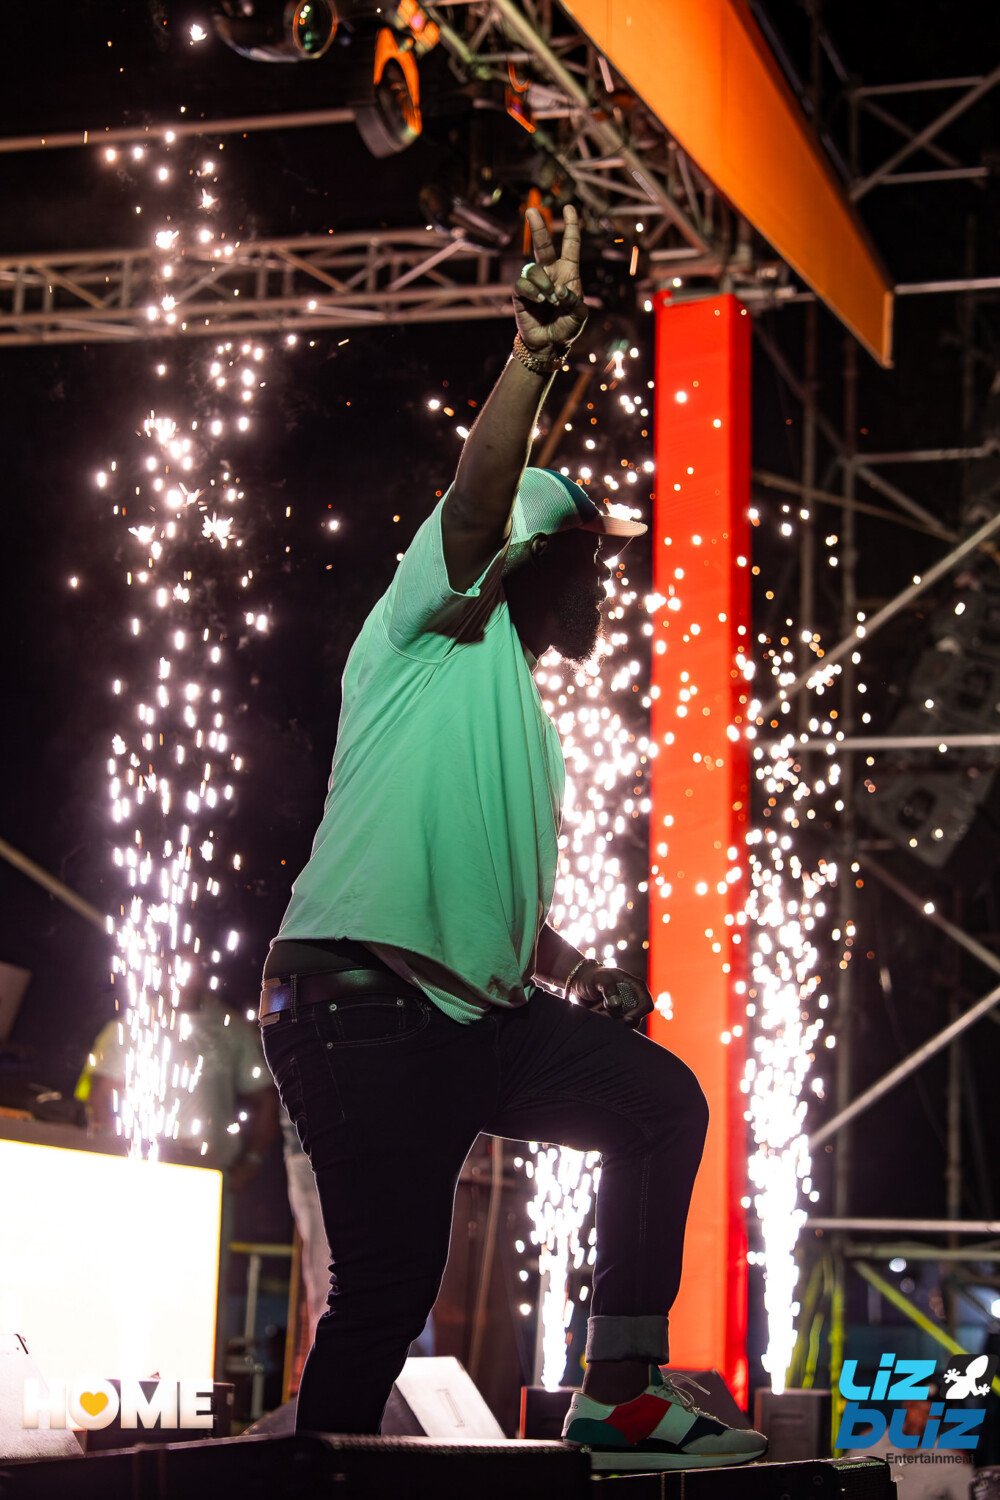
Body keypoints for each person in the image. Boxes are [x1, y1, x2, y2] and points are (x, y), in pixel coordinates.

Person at [258, 204, 767, 1471]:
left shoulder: (521, 716)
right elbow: (481, 495)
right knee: (386, 1291)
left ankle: (620, 1393)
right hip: (365, 1007)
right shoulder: (433, 621)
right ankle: (312, 1481)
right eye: (588, 558)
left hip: (470, 1021)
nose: (607, 583)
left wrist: (571, 965)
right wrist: (535, 359)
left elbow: (473, 887)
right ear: (528, 558)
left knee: (656, 1104)